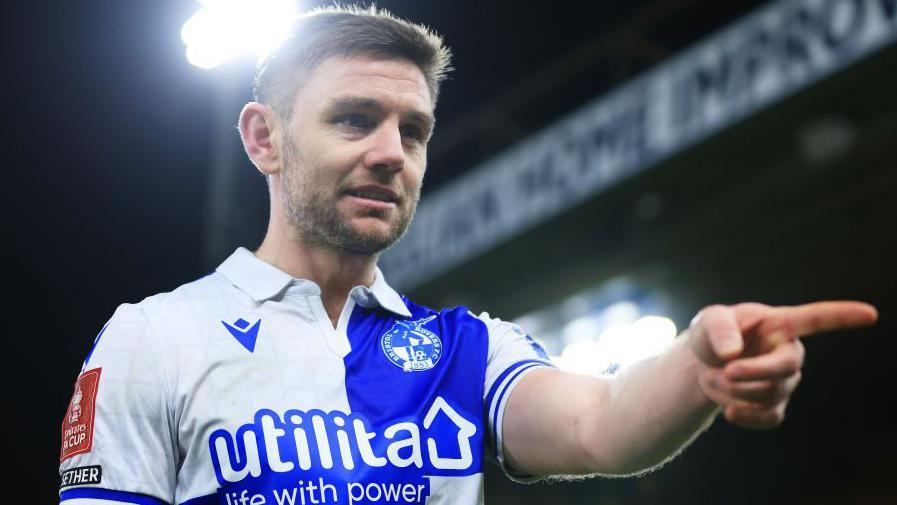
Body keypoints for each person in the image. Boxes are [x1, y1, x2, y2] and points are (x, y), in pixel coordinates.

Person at [57, 6, 878, 505]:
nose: (392, 153)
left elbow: (601, 424)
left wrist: (698, 362)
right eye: (354, 119)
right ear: (263, 137)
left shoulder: (465, 349)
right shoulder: (154, 336)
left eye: (412, 130)